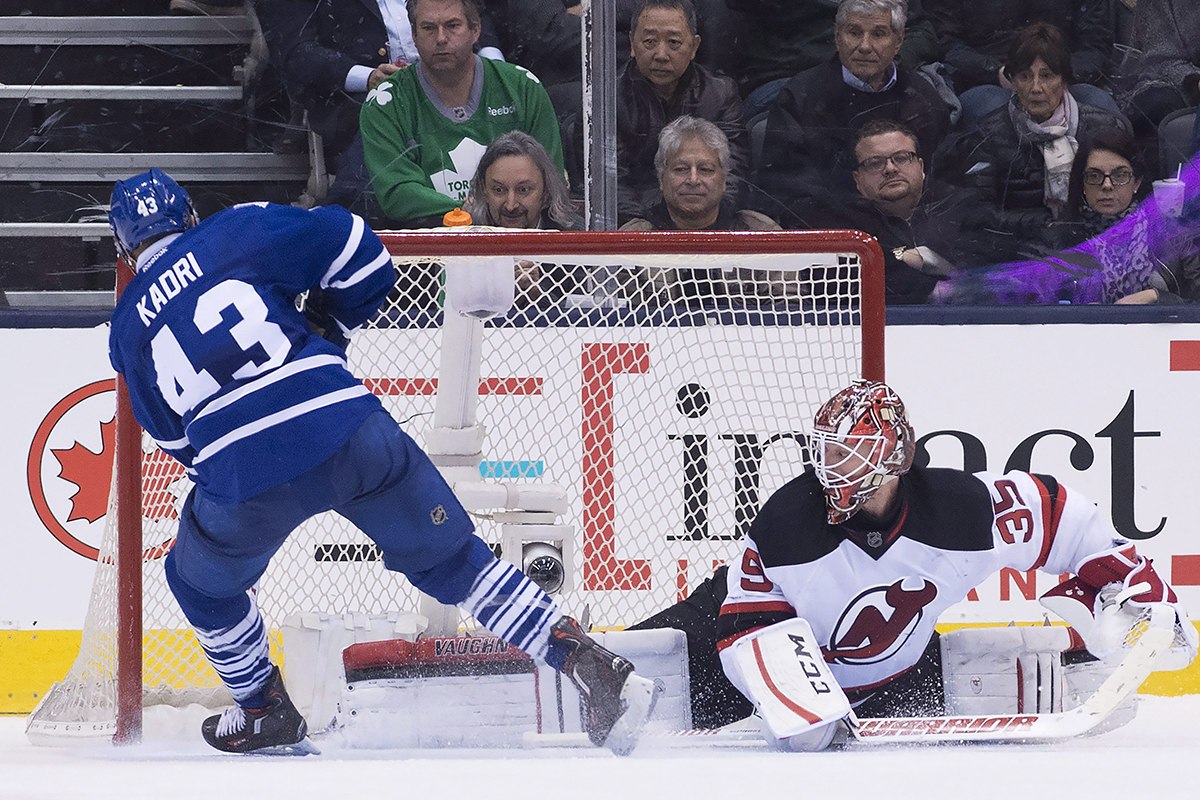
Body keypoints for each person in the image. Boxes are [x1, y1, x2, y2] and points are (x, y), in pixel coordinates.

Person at [105, 168, 656, 756]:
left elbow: (171, 436)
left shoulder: (125, 326)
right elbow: (363, 254)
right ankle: (589, 665)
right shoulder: (236, 228)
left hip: (244, 474)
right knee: (456, 562)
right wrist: (328, 327)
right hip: (349, 427)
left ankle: (264, 709)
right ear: (190, 215)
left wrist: (235, 470)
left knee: (199, 586)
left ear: (123, 246)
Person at [643, 380, 1198, 734]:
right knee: (642, 671)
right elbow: (747, 627)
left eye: (851, 452)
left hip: (889, 676)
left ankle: (1069, 652)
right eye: (827, 451)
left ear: (897, 455)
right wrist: (799, 702)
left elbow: (1067, 520)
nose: (832, 466)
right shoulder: (786, 524)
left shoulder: (959, 511)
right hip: (725, 646)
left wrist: (1142, 591)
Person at [255, 0, 505, 209]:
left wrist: (498, 70)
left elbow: (474, 17)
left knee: (510, 112)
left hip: (460, 83)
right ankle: (360, 226)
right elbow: (296, 53)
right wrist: (367, 78)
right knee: (385, 111)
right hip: (360, 97)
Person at [359, 0, 564, 227]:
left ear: (476, 30)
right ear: (414, 36)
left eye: (452, 25)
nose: (441, 38)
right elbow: (396, 193)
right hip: (429, 247)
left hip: (520, 243)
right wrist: (468, 212)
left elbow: (551, 180)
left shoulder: (523, 87)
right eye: (428, 28)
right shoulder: (385, 101)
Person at [935, 22, 1131, 259]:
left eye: (1047, 76)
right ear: (1013, 81)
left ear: (1064, 80)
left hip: (1099, 251)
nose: (1036, 88)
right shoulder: (987, 137)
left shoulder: (1104, 128)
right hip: (1019, 258)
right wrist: (1041, 225)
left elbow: (1128, 203)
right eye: (1025, 76)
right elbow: (976, 217)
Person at [934, 136, 1200, 306]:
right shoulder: (1057, 238)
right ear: (1081, 185)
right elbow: (1027, 296)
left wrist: (1160, 299)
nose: (1107, 186)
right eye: (1094, 176)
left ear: (1136, 183)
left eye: (1119, 175)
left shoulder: (1174, 236)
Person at [754, 0, 952, 221]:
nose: (865, 46)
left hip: (913, 230)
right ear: (837, 38)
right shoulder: (800, 97)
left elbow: (943, 182)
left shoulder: (923, 96)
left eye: (878, 34)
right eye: (854, 33)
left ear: (898, 41)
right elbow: (787, 188)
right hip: (835, 230)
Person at [796, 119, 997, 304]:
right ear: (857, 179)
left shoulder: (961, 204)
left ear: (920, 166)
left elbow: (984, 266)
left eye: (901, 158)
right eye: (874, 163)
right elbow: (839, 281)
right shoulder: (843, 220)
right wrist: (921, 268)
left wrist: (904, 259)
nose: (890, 169)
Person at [619, 117, 788, 302]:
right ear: (661, 179)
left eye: (705, 170)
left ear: (724, 180)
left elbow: (791, 314)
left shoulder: (762, 234)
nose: (693, 179)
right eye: (681, 169)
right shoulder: (629, 242)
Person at [616, 0, 748, 223]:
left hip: (708, 220)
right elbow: (610, 183)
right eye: (649, 42)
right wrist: (659, 224)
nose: (661, 54)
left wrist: (701, 219)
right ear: (631, 43)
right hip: (638, 226)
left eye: (674, 43)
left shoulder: (720, 95)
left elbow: (733, 175)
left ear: (695, 47)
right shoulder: (606, 100)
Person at [724, 0, 941, 117]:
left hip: (878, 75)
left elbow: (921, 31)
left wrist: (886, 59)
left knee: (926, 100)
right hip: (791, 73)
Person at [924, 0, 1119, 126]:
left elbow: (1097, 45)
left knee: (1103, 114)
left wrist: (1060, 75)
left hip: (1068, 79)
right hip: (988, 81)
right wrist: (997, 72)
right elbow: (947, 43)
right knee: (995, 119)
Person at [463, 131, 583, 306]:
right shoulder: (465, 237)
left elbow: (588, 322)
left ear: (546, 191)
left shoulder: (575, 240)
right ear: (484, 191)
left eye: (523, 190)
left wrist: (540, 298)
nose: (511, 205)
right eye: (499, 190)